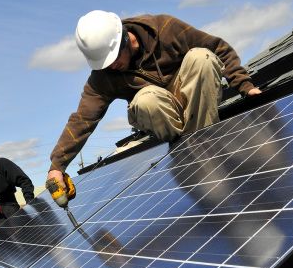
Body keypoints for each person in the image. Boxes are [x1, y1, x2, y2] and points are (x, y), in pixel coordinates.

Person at [47, 10, 262, 187]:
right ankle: (187, 152)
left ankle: (203, 140)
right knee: (146, 100)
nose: (111, 66)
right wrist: (57, 166)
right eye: (105, 64)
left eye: (113, 58)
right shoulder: (103, 77)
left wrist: (245, 86)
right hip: (160, 113)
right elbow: (83, 119)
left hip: (191, 96)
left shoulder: (165, 28)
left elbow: (218, 48)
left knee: (201, 58)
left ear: (124, 38)